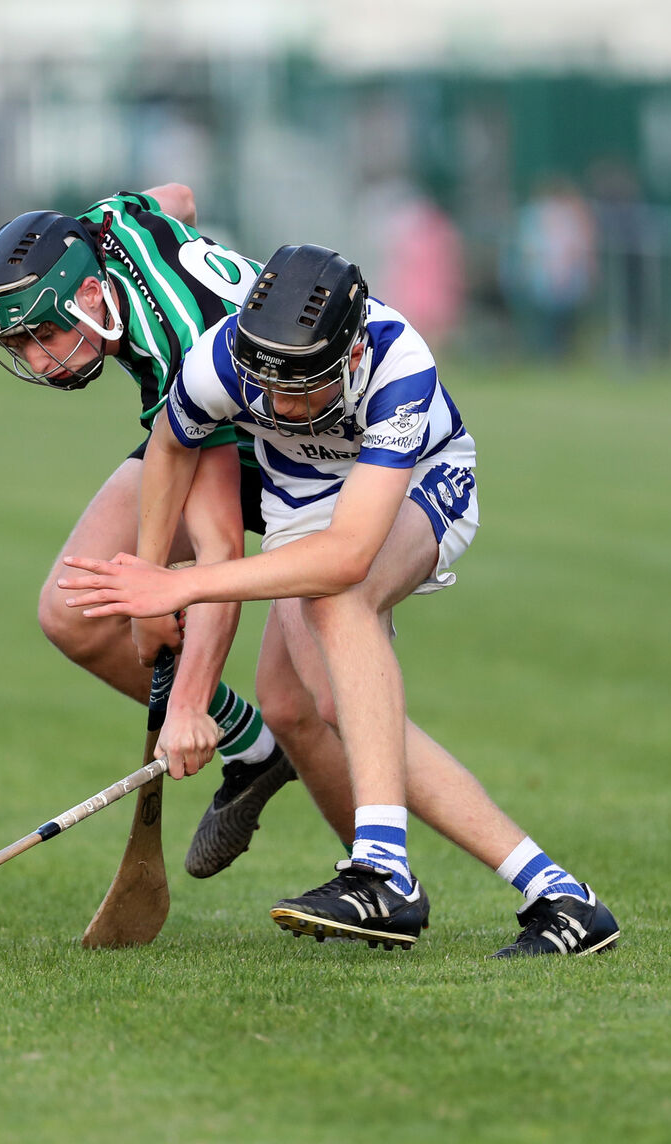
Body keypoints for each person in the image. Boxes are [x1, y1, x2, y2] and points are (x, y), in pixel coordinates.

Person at [59, 243, 620, 959]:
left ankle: (384, 872)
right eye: (271, 391)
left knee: (340, 597)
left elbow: (350, 552)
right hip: (305, 509)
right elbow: (172, 445)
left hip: (418, 486)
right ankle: (562, 899)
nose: (286, 407)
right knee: (299, 706)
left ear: (350, 355)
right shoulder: (224, 357)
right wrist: (145, 581)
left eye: (306, 390)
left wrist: (181, 583)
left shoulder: (397, 362)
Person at [0, 186, 297, 880]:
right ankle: (254, 749)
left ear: (89, 293)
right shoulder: (99, 227)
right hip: (198, 424)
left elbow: (218, 558)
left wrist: (188, 704)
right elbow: (178, 197)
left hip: (298, 455)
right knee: (72, 612)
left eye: (43, 336)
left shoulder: (179, 349)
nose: (36, 362)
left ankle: (377, 870)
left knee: (313, 696)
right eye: (17, 345)